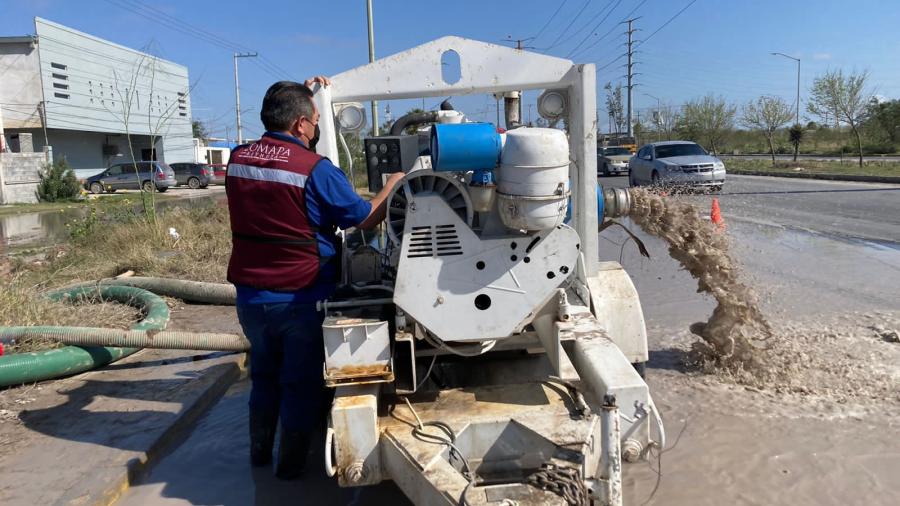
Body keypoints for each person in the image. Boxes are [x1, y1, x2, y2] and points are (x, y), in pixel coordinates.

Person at [226, 77, 404, 479]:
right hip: (301, 298)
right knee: (299, 383)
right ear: (302, 126)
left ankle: (258, 456)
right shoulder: (314, 169)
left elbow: (272, 174)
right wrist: (392, 185)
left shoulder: (237, 160)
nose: (318, 126)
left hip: (251, 299)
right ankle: (290, 470)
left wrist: (303, 89)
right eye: (317, 119)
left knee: (264, 375)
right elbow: (362, 217)